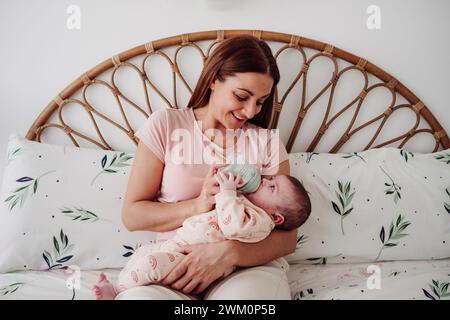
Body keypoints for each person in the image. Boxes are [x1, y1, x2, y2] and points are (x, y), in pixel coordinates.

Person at [116, 35, 298, 300]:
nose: (250, 111)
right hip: (172, 264)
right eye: (242, 96)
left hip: (246, 268)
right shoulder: (167, 125)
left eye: (260, 101)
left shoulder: (266, 143)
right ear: (214, 79)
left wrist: (228, 254)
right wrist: (197, 205)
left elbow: (287, 237)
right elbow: (133, 216)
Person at [92, 170, 311, 300]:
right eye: (269, 179)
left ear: (276, 217)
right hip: (178, 246)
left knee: (150, 264)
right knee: (143, 255)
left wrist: (228, 192)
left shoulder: (259, 221)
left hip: (196, 259)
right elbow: (132, 216)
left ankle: (117, 289)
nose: (264, 180)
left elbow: (232, 225)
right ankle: (122, 283)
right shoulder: (248, 203)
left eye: (271, 187)